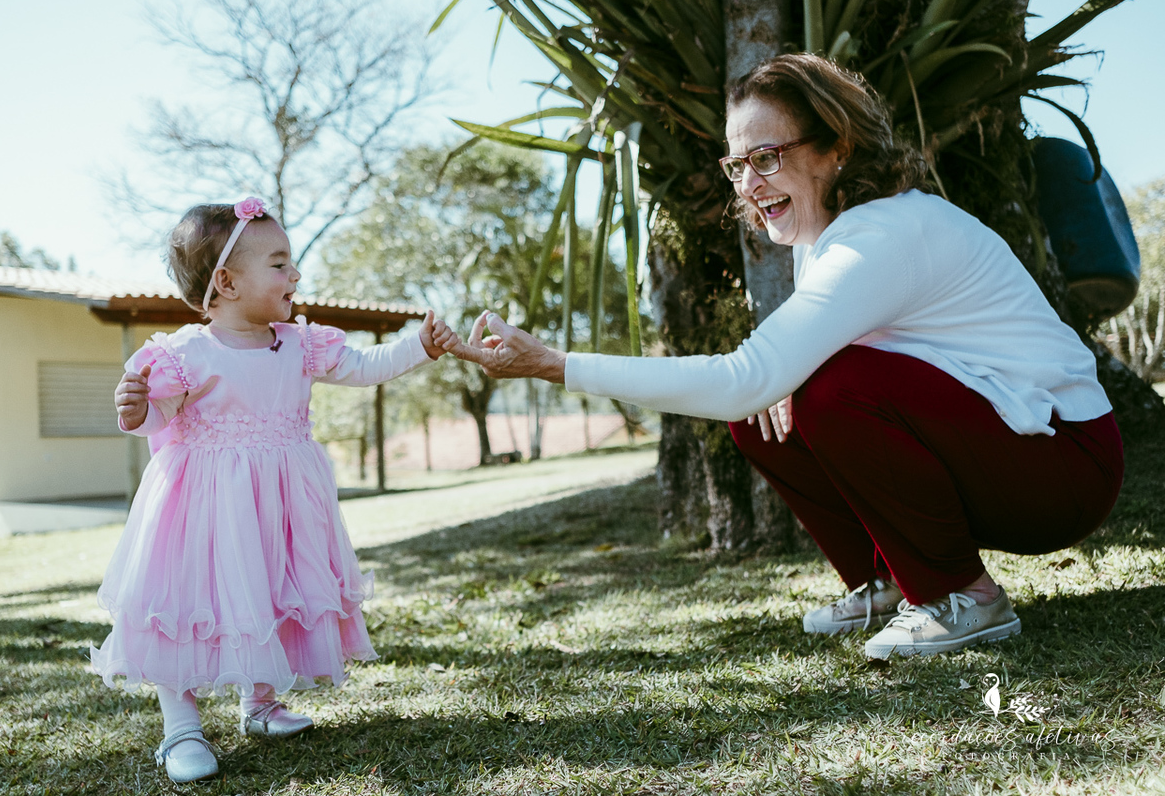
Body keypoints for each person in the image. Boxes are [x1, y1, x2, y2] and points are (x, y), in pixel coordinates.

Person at [447, 53, 1123, 662]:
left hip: (1065, 466)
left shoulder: (880, 235)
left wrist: (556, 363)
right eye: (737, 165)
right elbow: (762, 387)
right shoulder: (822, 237)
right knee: (768, 412)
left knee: (822, 389)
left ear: (838, 149)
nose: (748, 183)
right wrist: (777, 383)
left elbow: (748, 374)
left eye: (767, 157)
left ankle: (962, 598)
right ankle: (887, 581)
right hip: (1012, 449)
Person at [90, 198, 459, 783]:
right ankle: (180, 728)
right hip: (204, 510)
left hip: (281, 505)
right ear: (227, 283)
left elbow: (363, 365)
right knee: (187, 607)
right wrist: (138, 409)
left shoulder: (298, 344)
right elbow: (159, 417)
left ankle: (259, 704)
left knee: (267, 592)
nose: (296, 276)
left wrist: (420, 345)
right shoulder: (186, 352)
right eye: (281, 264)